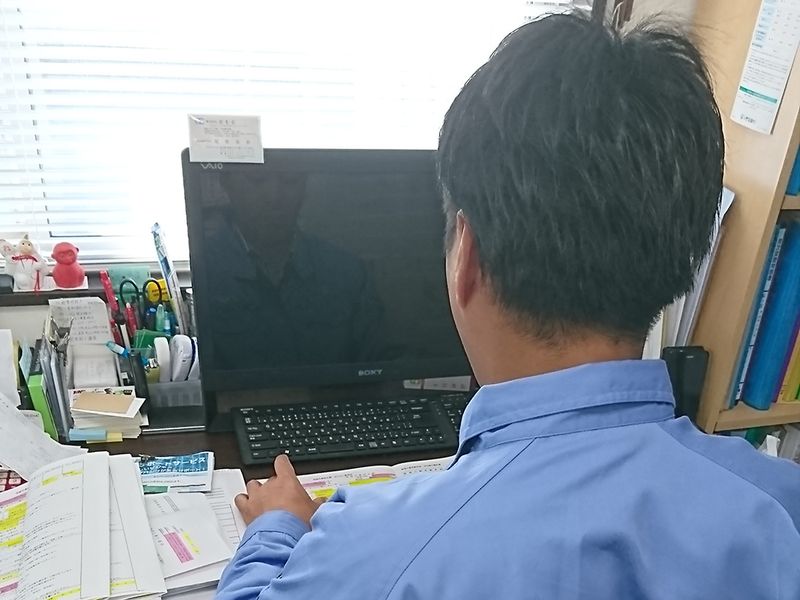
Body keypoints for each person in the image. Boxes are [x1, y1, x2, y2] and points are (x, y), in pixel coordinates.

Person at [217, 11, 800, 600]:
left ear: (466, 256)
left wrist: (275, 528)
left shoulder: (373, 551)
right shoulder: (782, 505)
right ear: (683, 252)